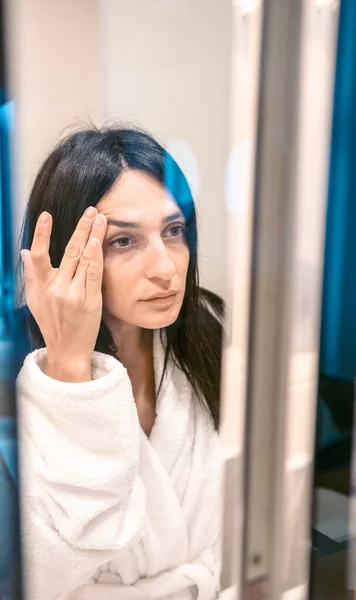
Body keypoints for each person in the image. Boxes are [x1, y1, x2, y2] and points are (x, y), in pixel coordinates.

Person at [16, 126, 224, 600]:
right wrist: (69, 369)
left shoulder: (212, 327)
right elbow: (38, 577)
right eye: (123, 242)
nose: (166, 268)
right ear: (65, 252)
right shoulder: (15, 375)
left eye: (174, 231)